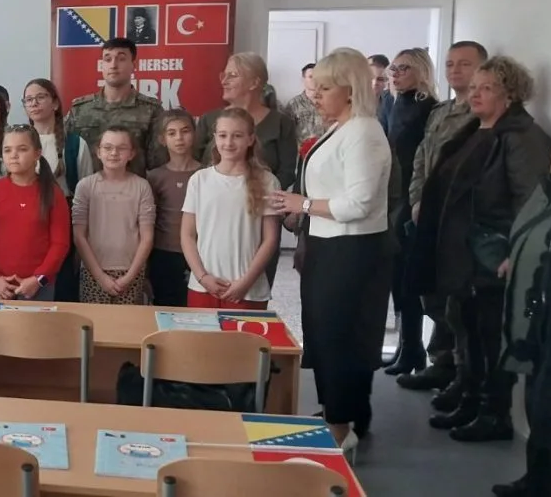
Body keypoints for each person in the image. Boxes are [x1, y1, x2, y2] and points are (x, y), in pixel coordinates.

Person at [407, 56, 551, 443]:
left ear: (510, 94)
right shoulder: (476, 129)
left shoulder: (521, 137)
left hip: (495, 255)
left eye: (486, 88)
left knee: (490, 336)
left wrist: (515, 253)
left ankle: (493, 413)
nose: (475, 94)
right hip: (464, 252)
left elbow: (532, 203)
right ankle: (469, 397)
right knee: (466, 327)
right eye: (474, 87)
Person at [268, 48, 392, 455]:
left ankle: (341, 426)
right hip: (326, 245)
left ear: (350, 90)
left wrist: (301, 203)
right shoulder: (341, 128)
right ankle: (333, 415)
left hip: (351, 250)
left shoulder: (364, 132)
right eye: (315, 88)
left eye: (324, 89)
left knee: (340, 336)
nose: (315, 96)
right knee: (322, 333)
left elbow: (359, 203)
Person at [398, 41, 488, 395]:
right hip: (428, 213)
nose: (455, 70)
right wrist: (417, 199)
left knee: (453, 296)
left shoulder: (480, 116)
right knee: (431, 291)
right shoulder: (441, 111)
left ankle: (454, 369)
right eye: (450, 64)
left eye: (464, 64)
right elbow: (422, 158)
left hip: (457, 218)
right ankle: (441, 361)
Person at [196, 52, 297, 286]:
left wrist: (256, 194)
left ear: (255, 82)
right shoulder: (210, 120)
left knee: (253, 289)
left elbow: (287, 171)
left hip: (259, 218)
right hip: (215, 218)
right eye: (224, 75)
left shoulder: (281, 123)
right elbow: (198, 167)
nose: (224, 80)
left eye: (232, 75)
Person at [493, 148, 551, 496]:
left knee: (547, 405)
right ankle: (537, 480)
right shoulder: (546, 189)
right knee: (538, 399)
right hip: (536, 318)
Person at [182, 108, 281, 310]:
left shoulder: (267, 181)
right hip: (203, 288)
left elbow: (270, 239)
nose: (228, 143)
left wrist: (245, 282)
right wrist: (202, 277)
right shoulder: (199, 180)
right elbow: (187, 235)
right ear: (215, 138)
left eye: (237, 136)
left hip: (247, 290)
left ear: (250, 139)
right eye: (223, 135)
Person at [381, 49, 440, 377]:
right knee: (395, 277)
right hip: (391, 196)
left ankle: (414, 347)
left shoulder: (429, 108)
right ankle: (406, 346)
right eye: (393, 68)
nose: (395, 73)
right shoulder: (389, 102)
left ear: (421, 71)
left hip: (412, 197)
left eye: (403, 68)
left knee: (409, 277)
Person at [0, 126, 69, 302]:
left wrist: (39, 279)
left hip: (39, 287)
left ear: (37, 153)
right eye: (7, 150)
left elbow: (60, 243)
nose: (14, 155)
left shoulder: (53, 193)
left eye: (22, 149)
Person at [23, 79, 94, 303]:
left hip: (63, 224)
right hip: (25, 222)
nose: (34, 103)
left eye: (40, 97)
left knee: (61, 284)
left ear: (54, 103)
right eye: (28, 100)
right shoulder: (17, 142)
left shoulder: (75, 144)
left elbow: (85, 194)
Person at [72, 126, 155, 305]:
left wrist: (129, 276)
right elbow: (79, 235)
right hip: (93, 271)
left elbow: (147, 237)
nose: (114, 153)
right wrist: (100, 276)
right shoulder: (85, 186)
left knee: (127, 322)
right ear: (98, 152)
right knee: (95, 321)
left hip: (131, 271)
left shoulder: (142, 186)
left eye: (121, 148)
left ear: (132, 153)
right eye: (108, 147)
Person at [65, 37, 165, 176]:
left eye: (121, 59)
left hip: (134, 187)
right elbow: (66, 153)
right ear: (102, 65)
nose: (113, 65)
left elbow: (159, 163)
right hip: (87, 187)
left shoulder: (151, 110)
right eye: (107, 59)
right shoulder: (80, 110)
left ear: (133, 65)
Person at [146, 109, 201, 307]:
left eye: (185, 131)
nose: (179, 138)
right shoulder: (154, 177)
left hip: (200, 252)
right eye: (172, 133)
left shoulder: (206, 174)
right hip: (164, 253)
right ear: (163, 139)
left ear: (194, 134)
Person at [282, 63, 327, 147]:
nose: (314, 80)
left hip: (326, 149)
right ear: (303, 79)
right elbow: (286, 132)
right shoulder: (294, 104)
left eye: (317, 77)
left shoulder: (328, 101)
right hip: (302, 151)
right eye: (310, 77)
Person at [371, 54, 394, 127]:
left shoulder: (391, 105)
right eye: (370, 77)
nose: (374, 83)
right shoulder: (350, 104)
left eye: (380, 79)